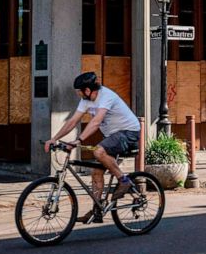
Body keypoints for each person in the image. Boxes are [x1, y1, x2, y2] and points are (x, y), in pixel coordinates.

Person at [45, 72, 141, 224]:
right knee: (96, 173)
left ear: (88, 90)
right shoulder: (86, 101)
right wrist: (54, 138)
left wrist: (78, 140)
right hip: (112, 136)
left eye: (79, 91)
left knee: (98, 151)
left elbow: (96, 122)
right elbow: (73, 121)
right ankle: (97, 211)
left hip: (128, 133)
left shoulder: (106, 96)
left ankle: (124, 180)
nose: (78, 94)